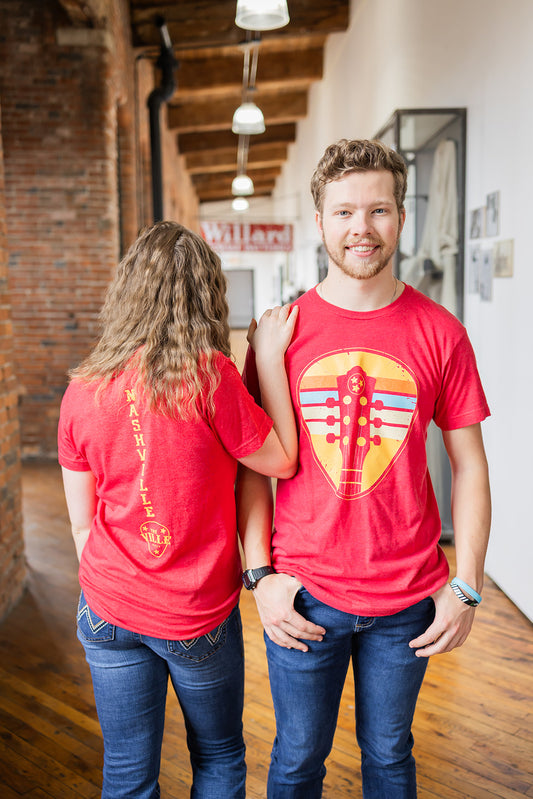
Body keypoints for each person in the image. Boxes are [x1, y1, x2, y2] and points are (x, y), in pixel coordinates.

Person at [237, 139, 491, 799]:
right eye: (344, 211)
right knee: (295, 760)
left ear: (400, 219)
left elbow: (469, 464)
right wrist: (259, 575)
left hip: (408, 597)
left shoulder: (440, 331)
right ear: (318, 222)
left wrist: (465, 583)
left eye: (377, 210)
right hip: (304, 592)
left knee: (388, 756)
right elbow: (254, 468)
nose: (361, 227)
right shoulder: (278, 334)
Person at [58, 220, 299, 799]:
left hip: (107, 612)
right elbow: (283, 462)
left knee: (126, 774)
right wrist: (266, 362)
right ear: (206, 295)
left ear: (127, 293)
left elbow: (81, 523)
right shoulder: (209, 376)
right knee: (217, 758)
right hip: (193, 615)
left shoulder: (82, 388)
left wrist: (112, 589)